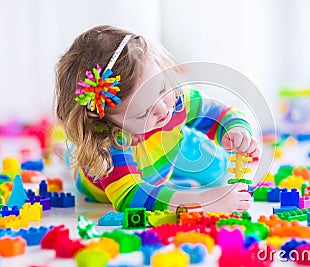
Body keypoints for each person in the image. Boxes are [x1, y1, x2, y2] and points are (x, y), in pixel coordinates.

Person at [55, 25, 259, 213]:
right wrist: (200, 201)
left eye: (162, 88)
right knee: (77, 158)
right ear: (104, 119)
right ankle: (68, 153)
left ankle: (181, 138)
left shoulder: (175, 99)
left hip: (163, 155)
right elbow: (132, 196)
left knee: (218, 169)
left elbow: (217, 112)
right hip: (107, 177)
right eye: (143, 113)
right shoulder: (108, 146)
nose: (163, 109)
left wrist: (235, 129)